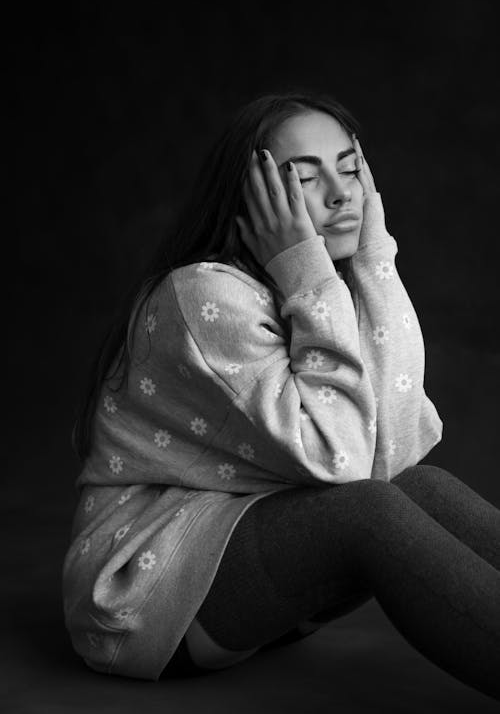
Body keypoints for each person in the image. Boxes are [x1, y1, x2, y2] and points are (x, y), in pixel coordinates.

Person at [62, 91, 500, 701]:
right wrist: (307, 269)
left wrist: (374, 259)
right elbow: (345, 465)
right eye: (304, 177)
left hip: (251, 573)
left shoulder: (320, 286)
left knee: (422, 489)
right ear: (253, 194)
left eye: (350, 170)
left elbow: (394, 450)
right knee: (369, 511)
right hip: (147, 596)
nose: (341, 195)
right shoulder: (204, 297)